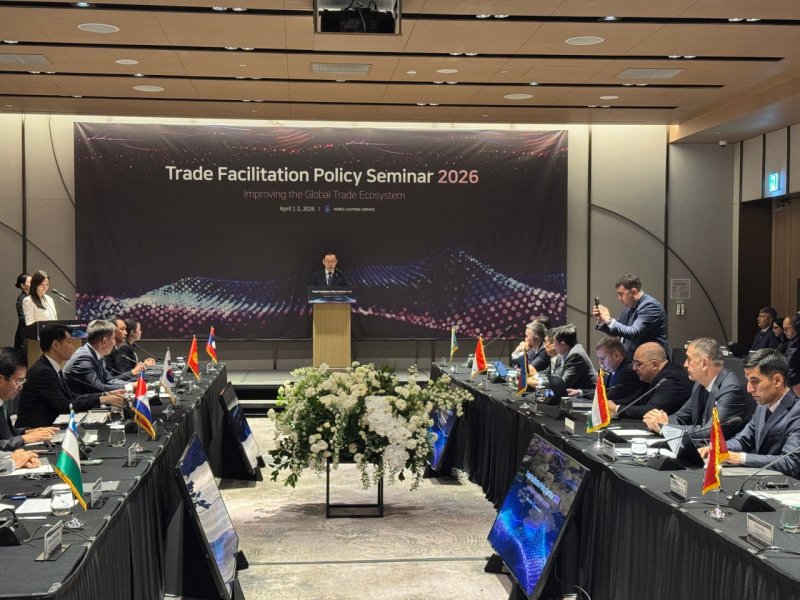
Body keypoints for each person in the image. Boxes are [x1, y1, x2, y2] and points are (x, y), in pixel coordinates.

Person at [700, 349, 800, 477]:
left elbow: (791, 462)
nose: (749, 389)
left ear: (777, 381)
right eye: (748, 381)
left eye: (755, 381)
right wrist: (719, 448)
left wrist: (741, 458)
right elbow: (743, 440)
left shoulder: (797, 412)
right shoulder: (762, 407)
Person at [16, 324, 125, 429]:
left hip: (48, 428)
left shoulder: (52, 367)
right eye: (68, 342)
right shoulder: (43, 371)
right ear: (55, 345)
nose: (72, 347)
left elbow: (72, 396)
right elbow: (63, 406)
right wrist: (103, 399)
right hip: (33, 431)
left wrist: (105, 395)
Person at [643, 338, 753, 440]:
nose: (685, 364)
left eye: (689, 359)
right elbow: (681, 417)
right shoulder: (699, 384)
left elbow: (710, 432)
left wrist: (667, 427)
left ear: (705, 364)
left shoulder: (730, 389)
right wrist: (658, 420)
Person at [609, 342, 692, 419]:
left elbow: (650, 411)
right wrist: (608, 404)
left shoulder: (672, 379)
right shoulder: (650, 377)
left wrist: (616, 409)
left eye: (638, 364)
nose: (634, 368)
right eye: (633, 363)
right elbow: (634, 401)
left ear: (655, 365)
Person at [592, 274, 668, 357]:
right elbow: (620, 331)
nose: (619, 298)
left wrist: (609, 321)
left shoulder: (651, 306)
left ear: (634, 292)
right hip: (632, 358)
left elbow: (634, 333)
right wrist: (602, 321)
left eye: (621, 294)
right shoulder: (629, 307)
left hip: (650, 359)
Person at [0, 347, 57, 450]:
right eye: (18, 381)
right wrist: (24, 439)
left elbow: (6, 435)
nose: (21, 387)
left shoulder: (2, 400)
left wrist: (29, 432)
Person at [63, 320, 132, 394]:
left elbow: (108, 380)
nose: (114, 343)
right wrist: (131, 387)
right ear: (104, 342)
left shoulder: (97, 354)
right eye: (113, 339)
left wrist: (132, 384)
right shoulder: (84, 358)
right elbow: (98, 388)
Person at [568, 336, 639, 402]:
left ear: (616, 355)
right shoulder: (611, 369)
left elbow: (607, 396)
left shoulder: (629, 372)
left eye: (602, 358)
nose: (600, 363)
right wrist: (580, 392)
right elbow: (601, 392)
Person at [532, 324, 596, 391]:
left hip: (585, 395)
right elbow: (557, 377)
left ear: (563, 345)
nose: (554, 345)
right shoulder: (566, 353)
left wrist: (537, 383)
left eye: (555, 342)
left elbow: (563, 384)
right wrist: (535, 378)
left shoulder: (575, 355)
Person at [13, 273, 30, 353]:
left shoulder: (35, 297)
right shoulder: (21, 299)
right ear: (23, 286)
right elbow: (23, 319)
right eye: (30, 282)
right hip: (24, 337)